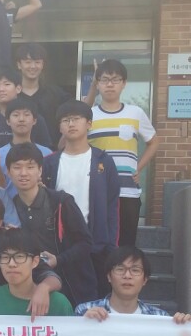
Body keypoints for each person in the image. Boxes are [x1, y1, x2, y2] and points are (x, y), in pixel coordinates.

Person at [43, 99, 120, 297]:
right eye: (65, 120)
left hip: (95, 244)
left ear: (89, 123)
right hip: (59, 245)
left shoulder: (103, 161)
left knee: (94, 300)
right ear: (60, 127)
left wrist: (111, 245)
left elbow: (112, 206)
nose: (71, 124)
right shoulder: (50, 163)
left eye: (76, 119)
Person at [7, 143, 96, 306]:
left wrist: (59, 260)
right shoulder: (10, 208)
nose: (23, 173)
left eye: (30, 167)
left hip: (72, 287)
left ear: (40, 171)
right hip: (31, 289)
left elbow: (86, 243)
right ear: (9, 172)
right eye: (17, 167)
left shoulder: (61, 202)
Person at [88, 59, 159, 248]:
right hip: (97, 190)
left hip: (127, 190)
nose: (110, 84)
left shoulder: (135, 112)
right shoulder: (90, 116)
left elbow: (153, 142)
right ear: (97, 83)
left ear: (124, 83)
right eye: (104, 80)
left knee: (126, 246)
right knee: (98, 245)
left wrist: (139, 168)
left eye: (115, 80)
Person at [0, 67, 53, 150]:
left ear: (18, 88)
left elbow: (46, 152)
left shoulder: (34, 119)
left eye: (7, 84)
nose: (1, 89)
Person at [0, 96, 53, 198]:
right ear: (8, 121)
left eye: (26, 115)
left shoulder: (47, 153)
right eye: (16, 115)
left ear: (34, 120)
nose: (21, 119)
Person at [15, 43, 71, 145]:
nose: (33, 66)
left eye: (37, 62)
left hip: (51, 152)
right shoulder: (12, 94)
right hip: (17, 152)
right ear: (19, 64)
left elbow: (78, 111)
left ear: (42, 65)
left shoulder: (55, 93)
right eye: (28, 62)